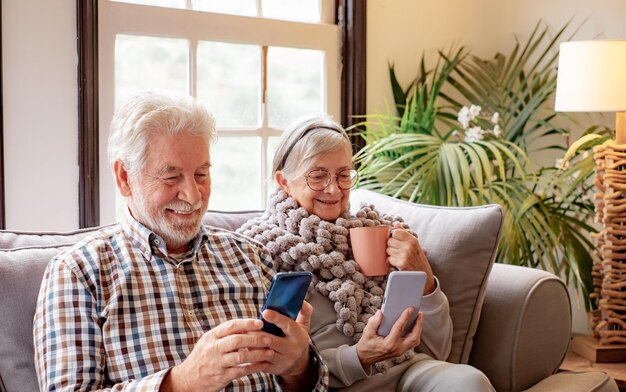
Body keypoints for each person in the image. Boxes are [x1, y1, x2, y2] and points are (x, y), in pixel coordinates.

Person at [33, 91, 329, 391]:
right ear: (124, 178)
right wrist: (183, 382)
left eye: (201, 174)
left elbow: (314, 384)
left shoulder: (251, 257)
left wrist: (298, 367)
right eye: (171, 177)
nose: (193, 195)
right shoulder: (77, 274)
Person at [237, 114, 495, 391]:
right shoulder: (255, 249)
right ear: (284, 181)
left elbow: (437, 350)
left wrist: (425, 277)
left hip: (411, 374)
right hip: (332, 384)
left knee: (468, 380)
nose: (333, 188)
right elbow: (275, 370)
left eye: (343, 175)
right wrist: (359, 356)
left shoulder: (380, 231)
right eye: (318, 175)